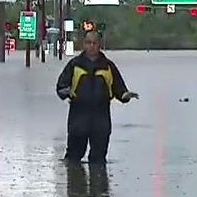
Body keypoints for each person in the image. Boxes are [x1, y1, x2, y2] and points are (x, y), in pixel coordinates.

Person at [55, 31, 138, 164]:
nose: (92, 46)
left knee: (99, 159)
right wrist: (66, 91)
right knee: (73, 158)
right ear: (84, 44)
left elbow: (119, 88)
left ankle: (98, 177)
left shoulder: (108, 66)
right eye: (89, 43)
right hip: (78, 116)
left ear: (99, 45)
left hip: (101, 117)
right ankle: (74, 176)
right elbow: (61, 86)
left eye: (95, 43)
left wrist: (125, 95)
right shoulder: (75, 64)